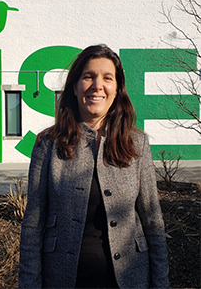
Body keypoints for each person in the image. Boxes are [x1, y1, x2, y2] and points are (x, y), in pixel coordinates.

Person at [19, 44, 170, 289]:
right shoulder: (48, 144)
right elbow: (33, 225)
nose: (97, 85)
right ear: (76, 87)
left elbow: (153, 220)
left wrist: (161, 284)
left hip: (129, 279)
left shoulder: (137, 143)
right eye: (88, 76)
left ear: (117, 89)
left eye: (107, 78)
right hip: (64, 279)